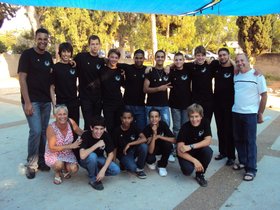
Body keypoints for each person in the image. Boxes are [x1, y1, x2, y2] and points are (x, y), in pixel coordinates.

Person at [18, 28, 54, 179]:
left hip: (45, 101)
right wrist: (27, 102)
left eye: (45, 39)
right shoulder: (27, 55)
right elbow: (22, 79)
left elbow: (53, 77)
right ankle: (31, 164)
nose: (43, 42)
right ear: (35, 38)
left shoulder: (48, 56)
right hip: (32, 101)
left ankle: (41, 159)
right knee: (36, 131)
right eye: (40, 39)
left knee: (44, 132)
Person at [232, 53, 267, 181]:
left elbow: (264, 95)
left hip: (250, 114)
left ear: (248, 60)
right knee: (238, 139)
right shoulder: (236, 75)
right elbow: (230, 62)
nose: (240, 63)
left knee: (250, 141)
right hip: (236, 112)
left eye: (242, 60)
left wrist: (260, 113)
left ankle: (251, 169)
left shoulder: (257, 76)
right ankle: (243, 161)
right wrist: (235, 66)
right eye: (237, 61)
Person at [45, 105, 84, 185]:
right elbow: (52, 148)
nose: (62, 116)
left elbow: (80, 132)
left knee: (74, 169)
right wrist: (70, 146)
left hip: (67, 153)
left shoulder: (70, 122)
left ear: (67, 114)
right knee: (59, 164)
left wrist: (94, 133)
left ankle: (64, 169)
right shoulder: (51, 127)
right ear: (55, 116)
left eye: (64, 114)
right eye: (59, 114)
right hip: (54, 154)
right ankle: (57, 173)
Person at [79, 116, 120, 190]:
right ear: (91, 128)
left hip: (99, 159)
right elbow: (82, 156)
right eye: (96, 128)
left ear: (104, 129)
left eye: (101, 129)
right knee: (92, 156)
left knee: (116, 170)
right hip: (85, 160)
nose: (99, 132)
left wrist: (103, 170)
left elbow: (111, 154)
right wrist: (97, 145)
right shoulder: (86, 135)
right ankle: (93, 179)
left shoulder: (105, 135)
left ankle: (96, 172)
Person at [177, 103, 213, 187]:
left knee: (208, 151)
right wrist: (195, 161)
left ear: (201, 116)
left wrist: (191, 146)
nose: (194, 119)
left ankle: (200, 174)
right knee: (187, 171)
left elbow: (208, 141)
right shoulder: (184, 128)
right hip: (187, 153)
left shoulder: (205, 122)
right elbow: (179, 151)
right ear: (188, 117)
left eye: (196, 116)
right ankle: (193, 164)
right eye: (191, 116)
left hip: (196, 150)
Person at [74, 35, 105, 130]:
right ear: (89, 45)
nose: (95, 46)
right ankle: (86, 143)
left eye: (96, 44)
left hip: (98, 98)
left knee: (96, 123)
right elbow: (70, 64)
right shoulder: (80, 57)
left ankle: (95, 143)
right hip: (85, 97)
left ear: (100, 45)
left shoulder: (102, 61)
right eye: (92, 44)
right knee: (88, 123)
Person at [213, 48, 235, 166]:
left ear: (228, 56)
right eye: (220, 55)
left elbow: (246, 68)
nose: (222, 57)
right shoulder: (216, 67)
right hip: (217, 104)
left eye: (224, 55)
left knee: (229, 130)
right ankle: (223, 152)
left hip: (230, 104)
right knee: (220, 129)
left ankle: (231, 156)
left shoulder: (234, 69)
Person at [113, 110, 148, 179]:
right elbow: (114, 148)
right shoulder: (116, 130)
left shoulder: (134, 126)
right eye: (124, 118)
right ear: (121, 118)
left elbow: (144, 139)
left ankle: (140, 169)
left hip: (133, 150)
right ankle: (123, 163)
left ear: (132, 119)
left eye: (129, 118)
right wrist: (113, 163)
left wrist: (129, 144)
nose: (126, 120)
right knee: (132, 168)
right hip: (123, 153)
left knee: (144, 146)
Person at [50, 42, 79, 124]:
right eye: (64, 51)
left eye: (68, 52)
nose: (66, 54)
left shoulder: (74, 66)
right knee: (63, 128)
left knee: (74, 127)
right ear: (60, 53)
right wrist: (54, 105)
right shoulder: (55, 68)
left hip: (74, 102)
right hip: (61, 103)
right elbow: (51, 88)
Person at [118, 49, 147, 130]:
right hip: (127, 105)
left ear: (144, 58)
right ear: (134, 58)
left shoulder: (147, 70)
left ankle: (140, 143)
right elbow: (113, 62)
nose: (138, 60)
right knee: (126, 128)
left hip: (140, 106)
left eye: (141, 58)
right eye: (137, 58)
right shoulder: (127, 68)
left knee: (141, 129)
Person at [141, 109, 175, 177]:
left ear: (159, 118)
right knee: (150, 160)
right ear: (149, 118)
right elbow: (150, 151)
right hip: (153, 149)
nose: (154, 119)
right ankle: (153, 160)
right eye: (152, 117)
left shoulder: (163, 124)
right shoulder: (147, 129)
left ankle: (162, 165)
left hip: (162, 147)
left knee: (168, 145)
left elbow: (174, 140)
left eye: (156, 116)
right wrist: (154, 135)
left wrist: (159, 136)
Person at [143, 50, 172, 127]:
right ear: (155, 58)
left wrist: (169, 66)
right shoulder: (150, 71)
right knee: (150, 129)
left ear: (164, 58)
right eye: (158, 57)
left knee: (166, 127)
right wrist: (159, 88)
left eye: (162, 57)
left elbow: (178, 64)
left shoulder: (167, 71)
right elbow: (145, 89)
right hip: (151, 105)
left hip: (164, 106)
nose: (160, 59)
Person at [100, 49, 125, 135]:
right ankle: (110, 146)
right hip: (107, 104)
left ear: (118, 59)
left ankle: (118, 146)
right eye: (112, 57)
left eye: (116, 57)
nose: (114, 59)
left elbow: (124, 84)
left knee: (118, 126)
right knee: (109, 126)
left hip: (118, 103)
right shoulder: (102, 70)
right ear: (108, 57)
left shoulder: (120, 71)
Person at [187, 46, 215, 122]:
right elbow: (178, 64)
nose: (200, 58)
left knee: (207, 123)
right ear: (195, 56)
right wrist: (168, 66)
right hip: (196, 101)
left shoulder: (210, 66)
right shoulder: (191, 66)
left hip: (208, 101)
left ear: (205, 56)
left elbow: (225, 62)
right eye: (198, 55)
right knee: (196, 123)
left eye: (202, 55)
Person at [168, 52, 192, 138]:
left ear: (184, 60)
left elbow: (197, 61)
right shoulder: (171, 71)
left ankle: (184, 145)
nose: (178, 62)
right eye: (176, 60)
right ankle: (176, 146)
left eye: (180, 60)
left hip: (186, 104)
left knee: (185, 126)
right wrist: (168, 66)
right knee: (176, 127)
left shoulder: (188, 69)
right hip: (175, 105)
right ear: (174, 61)